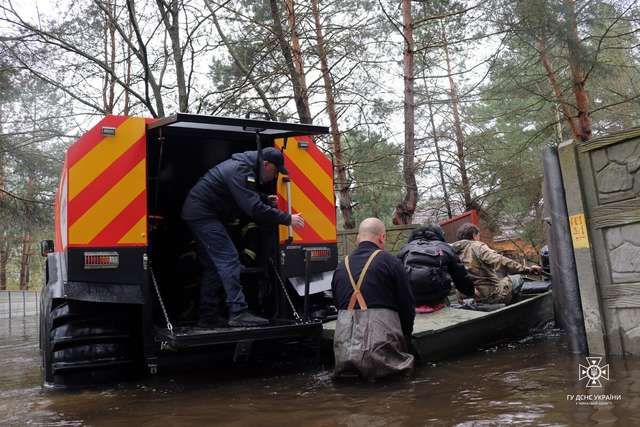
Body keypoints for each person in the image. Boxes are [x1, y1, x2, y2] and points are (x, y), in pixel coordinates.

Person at [182, 147, 305, 327]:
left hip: (200, 213)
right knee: (229, 259)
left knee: (212, 266)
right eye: (276, 171)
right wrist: (287, 219)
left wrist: (263, 198)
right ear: (266, 164)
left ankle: (208, 315)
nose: (276, 176)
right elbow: (252, 208)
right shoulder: (240, 169)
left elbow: (242, 192)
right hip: (203, 215)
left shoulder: (243, 168)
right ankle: (238, 312)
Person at [331, 218, 415, 380]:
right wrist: (406, 339)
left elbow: (337, 305)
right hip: (382, 353)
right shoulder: (391, 262)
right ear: (382, 237)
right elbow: (407, 307)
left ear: (358, 238)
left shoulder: (340, 267)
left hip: (344, 355)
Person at [452, 223, 543, 304]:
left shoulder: (452, 251)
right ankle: (513, 311)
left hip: (464, 297)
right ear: (474, 235)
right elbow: (500, 261)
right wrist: (527, 269)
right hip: (488, 296)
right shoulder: (477, 246)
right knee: (518, 279)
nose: (479, 239)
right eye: (479, 236)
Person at [397, 224, 475, 312]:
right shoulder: (445, 248)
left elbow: (395, 276)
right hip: (437, 300)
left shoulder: (405, 248)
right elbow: (460, 277)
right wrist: (470, 292)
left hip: (411, 299)